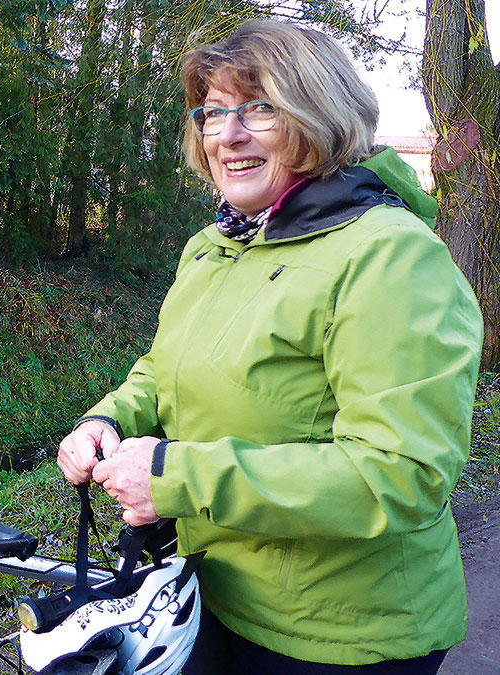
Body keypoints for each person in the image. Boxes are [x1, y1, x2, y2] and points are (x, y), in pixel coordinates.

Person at [57, 19, 484, 675]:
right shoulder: (215, 246)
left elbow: (399, 473)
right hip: (216, 589)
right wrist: (110, 418)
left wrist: (177, 475)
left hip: (341, 635)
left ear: (320, 115)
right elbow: (168, 367)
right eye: (213, 112)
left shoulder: (391, 258)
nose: (228, 134)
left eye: (259, 109)